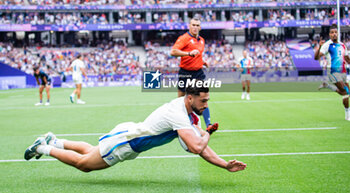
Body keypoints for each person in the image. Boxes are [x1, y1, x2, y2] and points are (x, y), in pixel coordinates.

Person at [24, 82, 246, 173]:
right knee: (85, 165)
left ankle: (54, 140)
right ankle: (43, 148)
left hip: (128, 134)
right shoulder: (179, 115)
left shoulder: (188, 115)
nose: (206, 106)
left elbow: (201, 148)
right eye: (203, 101)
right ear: (189, 98)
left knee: (91, 150)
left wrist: (225, 165)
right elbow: (198, 147)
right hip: (125, 143)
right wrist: (208, 133)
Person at [170, 18, 213, 128]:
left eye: (197, 25)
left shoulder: (202, 40)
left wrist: (202, 62)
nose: (195, 27)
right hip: (185, 72)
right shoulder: (184, 38)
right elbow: (173, 52)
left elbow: (197, 55)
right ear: (189, 26)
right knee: (181, 99)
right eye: (193, 25)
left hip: (198, 72)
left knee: (203, 95)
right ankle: (178, 123)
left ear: (200, 27)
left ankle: (208, 124)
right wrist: (188, 53)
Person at [315, 24, 350, 120]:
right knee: (345, 90)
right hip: (332, 72)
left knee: (346, 93)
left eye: (335, 32)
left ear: (338, 33)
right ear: (329, 34)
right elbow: (316, 57)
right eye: (332, 32)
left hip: (342, 71)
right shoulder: (326, 45)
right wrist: (319, 47)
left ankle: (327, 86)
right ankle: (348, 115)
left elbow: (347, 58)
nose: (334, 34)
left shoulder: (342, 45)